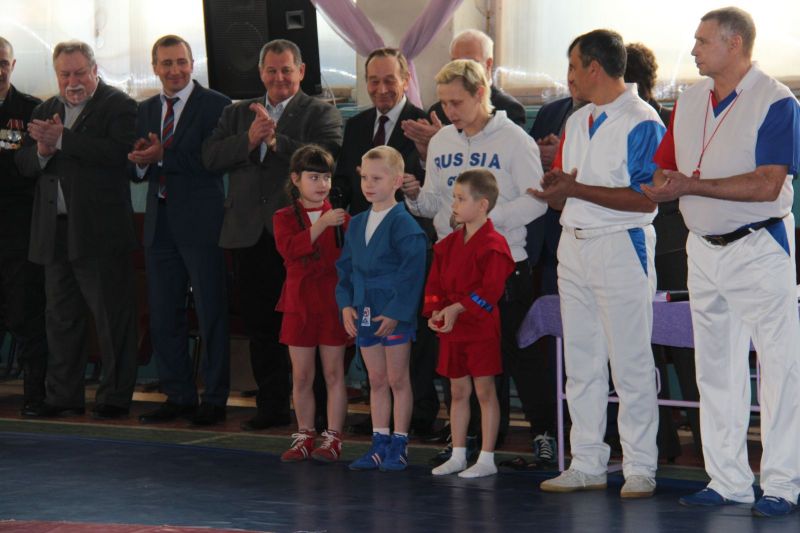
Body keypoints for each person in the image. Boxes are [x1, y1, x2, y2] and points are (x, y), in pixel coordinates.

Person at [642, 7, 800, 517]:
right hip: (702, 248)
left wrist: (690, 186)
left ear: (735, 44)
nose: (693, 50)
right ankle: (728, 479)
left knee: (779, 368)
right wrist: (660, 185)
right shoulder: (689, 100)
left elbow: (767, 185)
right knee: (714, 368)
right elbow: (666, 168)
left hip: (759, 247)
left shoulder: (776, 100)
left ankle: (782, 483)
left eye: (702, 40)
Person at [533, 29, 664, 498]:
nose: (568, 76)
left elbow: (647, 199)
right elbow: (569, 190)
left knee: (630, 361)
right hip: (574, 244)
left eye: (573, 66)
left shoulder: (642, 120)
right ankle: (587, 460)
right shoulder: (576, 120)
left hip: (620, 244)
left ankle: (640, 466)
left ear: (594, 67)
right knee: (582, 361)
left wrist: (574, 190)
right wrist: (554, 191)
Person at [402, 59, 547, 461]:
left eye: (457, 102)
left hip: (503, 262)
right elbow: (436, 202)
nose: (449, 111)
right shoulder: (443, 141)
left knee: (517, 351)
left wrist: (484, 223)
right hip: (453, 266)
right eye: (444, 103)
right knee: (460, 357)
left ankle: (544, 433)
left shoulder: (514, 140)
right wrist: (414, 196)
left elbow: (537, 201)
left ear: (480, 94)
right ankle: (466, 442)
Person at [202, 39, 342, 432]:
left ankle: (317, 413)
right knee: (261, 325)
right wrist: (249, 139)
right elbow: (210, 157)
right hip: (249, 235)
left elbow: (327, 157)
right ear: (260, 72)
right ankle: (272, 406)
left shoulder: (321, 111)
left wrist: (277, 140)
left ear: (301, 71)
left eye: (286, 70)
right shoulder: (237, 112)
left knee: (310, 324)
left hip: (304, 235)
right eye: (271, 70)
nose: (279, 77)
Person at [15, 40, 139, 419]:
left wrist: (63, 140)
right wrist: (42, 152)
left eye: (80, 72)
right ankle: (63, 396)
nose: (72, 81)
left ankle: (114, 397)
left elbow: (117, 154)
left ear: (95, 70)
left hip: (100, 233)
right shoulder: (44, 109)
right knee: (61, 318)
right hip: (54, 233)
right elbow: (23, 165)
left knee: (110, 317)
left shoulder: (119, 106)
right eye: (65, 74)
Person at [333, 47, 438, 437]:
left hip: (407, 238)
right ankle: (380, 420)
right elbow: (345, 180)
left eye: (389, 80)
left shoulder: (424, 123)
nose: (380, 88)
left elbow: (437, 182)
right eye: (373, 81)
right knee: (373, 342)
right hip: (366, 242)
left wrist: (420, 169)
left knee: (412, 337)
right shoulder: (356, 125)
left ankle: (419, 414)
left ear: (406, 80)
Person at [128, 35, 231, 426]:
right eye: (167, 63)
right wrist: (140, 161)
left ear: (192, 64)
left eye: (181, 62)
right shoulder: (145, 109)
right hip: (160, 225)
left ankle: (215, 399)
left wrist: (163, 156)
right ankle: (178, 396)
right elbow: (135, 169)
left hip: (202, 225)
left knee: (210, 312)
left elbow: (212, 161)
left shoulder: (217, 105)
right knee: (163, 315)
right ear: (154, 67)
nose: (175, 70)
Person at [336, 146, 427, 472]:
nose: (369, 184)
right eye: (365, 177)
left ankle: (399, 445)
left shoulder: (405, 224)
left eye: (377, 178)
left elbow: (412, 272)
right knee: (375, 379)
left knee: (397, 379)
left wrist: (397, 312)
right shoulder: (357, 223)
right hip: (364, 307)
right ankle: (379, 443)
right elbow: (345, 268)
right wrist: (345, 305)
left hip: (392, 310)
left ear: (397, 181)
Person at [425, 169, 515, 478]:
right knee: (457, 391)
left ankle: (487, 457)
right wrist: (436, 311)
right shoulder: (448, 244)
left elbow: (491, 290)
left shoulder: (494, 244)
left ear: (482, 204)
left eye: (461, 199)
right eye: (454, 198)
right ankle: (459, 453)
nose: (454, 205)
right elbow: (434, 285)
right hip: (452, 327)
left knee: (485, 392)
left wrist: (458, 308)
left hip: (480, 327)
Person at [524, 42, 589, 463]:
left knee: (596, 347)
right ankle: (553, 429)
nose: (570, 76)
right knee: (553, 346)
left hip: (596, 240)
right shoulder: (551, 111)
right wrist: (544, 158)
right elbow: (534, 170)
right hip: (551, 243)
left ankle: (600, 435)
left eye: (577, 67)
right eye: (567, 67)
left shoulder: (621, 116)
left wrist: (560, 156)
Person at [274, 145, 349, 463]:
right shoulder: (283, 217)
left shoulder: (343, 218)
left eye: (326, 177)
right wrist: (321, 225)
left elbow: (348, 263)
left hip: (332, 303)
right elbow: (290, 250)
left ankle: (333, 437)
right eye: (313, 177)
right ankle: (304, 434)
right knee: (302, 375)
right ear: (296, 179)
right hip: (299, 303)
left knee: (334, 373)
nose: (321, 184)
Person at [0, 36, 47, 416]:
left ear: (13, 66)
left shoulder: (31, 111)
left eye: (3, 62)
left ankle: (35, 395)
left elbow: (28, 170)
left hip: (18, 232)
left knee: (25, 314)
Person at [401, 29, 526, 164]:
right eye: (455, 63)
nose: (461, 70)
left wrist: (448, 141)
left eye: (470, 63)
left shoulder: (509, 109)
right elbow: (421, 170)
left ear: (488, 64)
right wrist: (426, 151)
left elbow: (506, 161)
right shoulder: (437, 111)